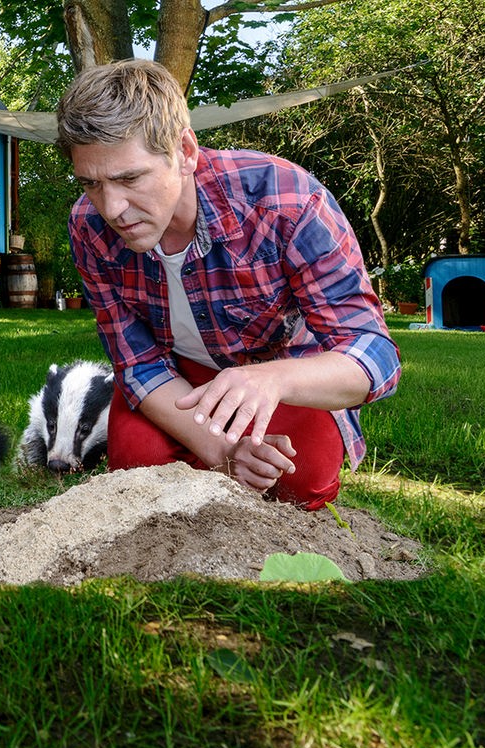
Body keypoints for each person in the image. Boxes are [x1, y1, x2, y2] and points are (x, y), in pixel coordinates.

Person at [55, 60, 399, 509]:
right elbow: (137, 363)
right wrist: (225, 452)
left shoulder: (286, 199)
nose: (113, 208)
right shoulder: (88, 225)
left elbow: (374, 355)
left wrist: (270, 379)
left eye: (129, 178)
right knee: (137, 473)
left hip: (283, 368)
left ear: (185, 151)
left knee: (300, 481)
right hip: (178, 377)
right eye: (91, 184)